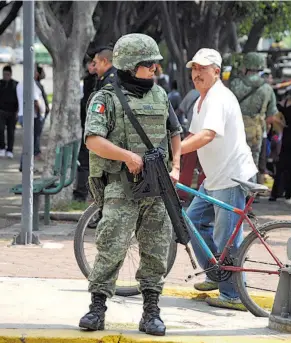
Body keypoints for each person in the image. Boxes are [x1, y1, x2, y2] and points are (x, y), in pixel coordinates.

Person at [79, 33, 182, 336]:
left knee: (155, 249)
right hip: (122, 186)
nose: (154, 68)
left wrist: (175, 166)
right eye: (148, 63)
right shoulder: (106, 98)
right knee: (111, 246)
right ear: (130, 64)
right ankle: (97, 309)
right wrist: (127, 157)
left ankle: (151, 312)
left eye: (155, 63)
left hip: (156, 187)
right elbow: (93, 140)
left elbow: (175, 132)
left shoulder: (161, 96)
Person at [180, 48, 257, 311]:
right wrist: (175, 164)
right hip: (215, 177)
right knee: (192, 220)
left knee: (228, 237)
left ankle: (234, 294)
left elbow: (206, 135)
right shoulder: (202, 100)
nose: (196, 73)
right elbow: (192, 137)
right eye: (194, 69)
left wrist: (175, 151)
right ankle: (216, 274)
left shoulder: (218, 98)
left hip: (231, 177)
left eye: (202, 68)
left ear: (216, 71)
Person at [229, 52, 278, 186]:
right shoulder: (267, 88)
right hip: (256, 130)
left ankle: (234, 190)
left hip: (234, 129)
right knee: (253, 161)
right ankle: (250, 193)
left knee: (234, 160)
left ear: (246, 66)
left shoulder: (235, 84)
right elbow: (272, 116)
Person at [73, 56, 97, 202]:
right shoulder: (91, 80)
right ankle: (82, 192)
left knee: (85, 162)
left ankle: (82, 193)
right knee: (84, 162)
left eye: (94, 63)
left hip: (93, 129)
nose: (92, 66)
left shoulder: (98, 81)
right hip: (87, 127)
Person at [269, 85, 291, 202]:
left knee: (281, 165)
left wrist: (282, 124)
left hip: (284, 135)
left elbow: (274, 116)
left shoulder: (282, 104)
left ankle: (275, 193)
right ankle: (288, 193)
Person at [0, 65, 18, 159]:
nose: (5, 76)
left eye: (7, 74)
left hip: (12, 112)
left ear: (10, 74)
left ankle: (10, 150)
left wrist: (17, 112)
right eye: (4, 74)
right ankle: (2, 147)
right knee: (1, 129)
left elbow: (19, 98)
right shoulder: (0, 83)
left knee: (11, 132)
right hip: (1, 111)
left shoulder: (15, 84)